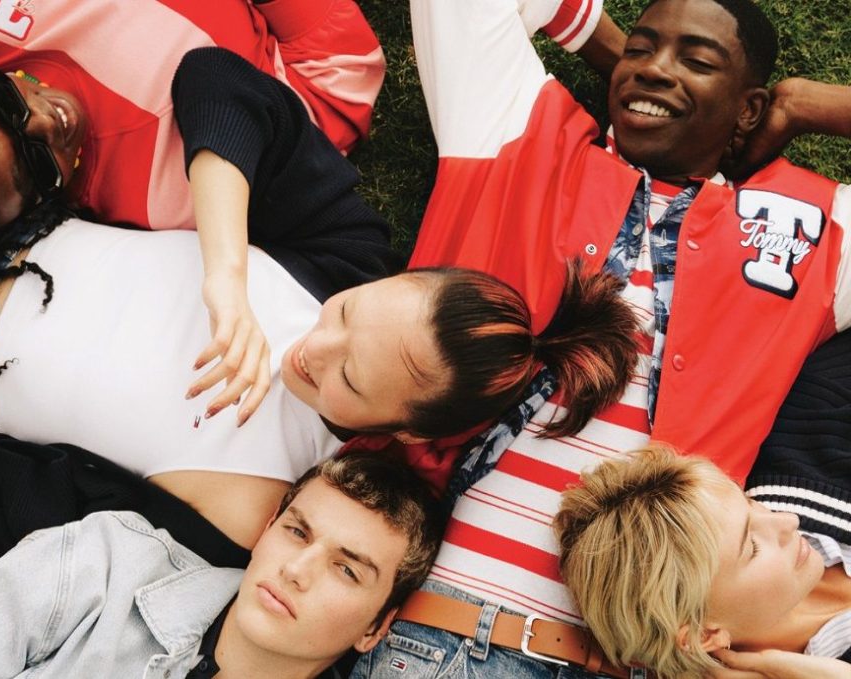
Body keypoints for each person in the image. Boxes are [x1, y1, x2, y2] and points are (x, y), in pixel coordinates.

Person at [0, 47, 640, 553]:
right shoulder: (343, 260)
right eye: (348, 317)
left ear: (402, 429)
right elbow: (214, 80)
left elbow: (47, 523)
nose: (313, 351)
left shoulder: (261, 505)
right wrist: (226, 274)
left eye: (350, 379)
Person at [353, 0, 851, 677]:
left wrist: (804, 105)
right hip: (453, 643)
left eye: (697, 61)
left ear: (749, 107)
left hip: (642, 660)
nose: (655, 69)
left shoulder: (816, 229)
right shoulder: (520, 134)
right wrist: (615, 53)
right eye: (642, 49)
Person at [0, 0, 383, 421]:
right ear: (32, 212)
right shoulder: (177, 192)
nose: (47, 119)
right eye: (35, 164)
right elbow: (340, 72)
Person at [0, 451, 447, 679]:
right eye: (297, 532)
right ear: (266, 534)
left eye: (347, 569)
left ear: (375, 628)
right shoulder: (110, 560)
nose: (297, 570)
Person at [555, 444, 851, 679]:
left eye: (750, 503)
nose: (788, 520)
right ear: (704, 635)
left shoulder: (803, 446)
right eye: (752, 548)